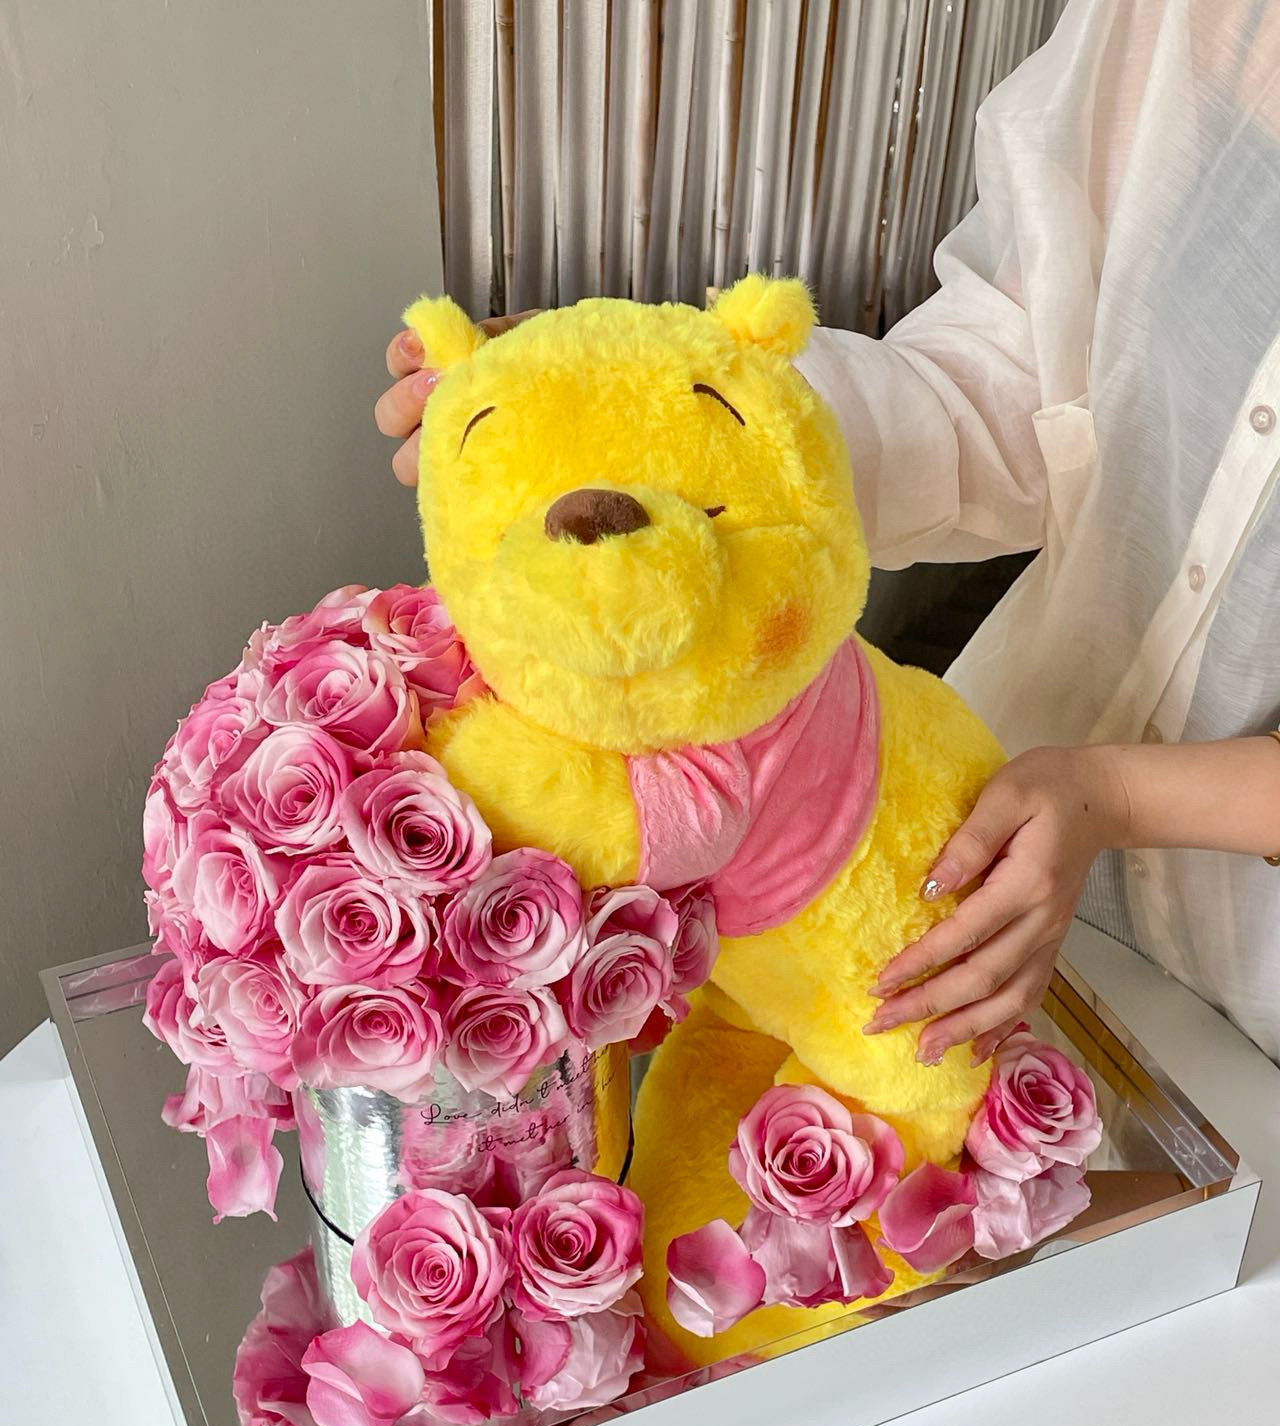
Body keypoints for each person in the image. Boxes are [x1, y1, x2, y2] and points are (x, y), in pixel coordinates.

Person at [375, 0, 1280, 1065]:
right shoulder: (1180, 24)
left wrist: (1117, 795)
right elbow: (1017, 371)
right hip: (981, 846)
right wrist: (669, 416)